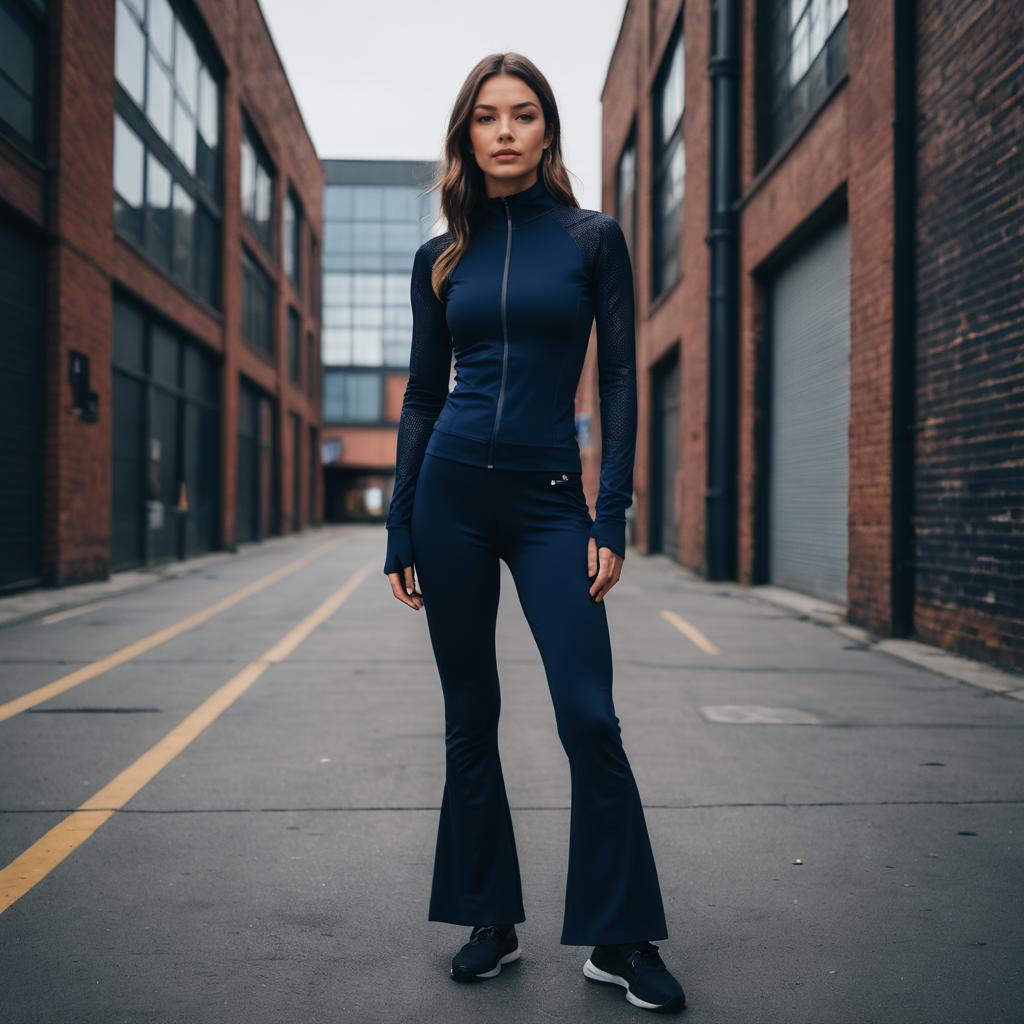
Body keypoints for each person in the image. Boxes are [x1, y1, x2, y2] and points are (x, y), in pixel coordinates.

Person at [383, 52, 687, 1014]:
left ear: (548, 131)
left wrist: (613, 512)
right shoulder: (440, 256)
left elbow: (625, 380)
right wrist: (399, 523)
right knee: (469, 716)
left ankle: (621, 936)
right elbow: (425, 392)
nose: (505, 130)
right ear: (466, 134)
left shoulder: (592, 238)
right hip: (451, 500)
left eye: (522, 114)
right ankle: (489, 916)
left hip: (554, 500)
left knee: (589, 715)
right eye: (487, 116)